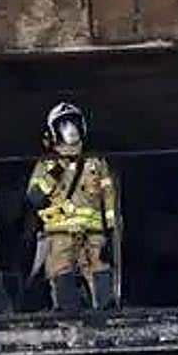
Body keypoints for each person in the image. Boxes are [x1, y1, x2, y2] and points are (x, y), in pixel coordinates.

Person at [25, 102, 118, 311]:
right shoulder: (46, 164)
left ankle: (105, 314)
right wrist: (56, 171)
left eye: (74, 123)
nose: (70, 129)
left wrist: (110, 230)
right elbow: (33, 197)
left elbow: (109, 198)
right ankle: (67, 314)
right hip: (60, 232)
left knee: (99, 268)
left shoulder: (96, 162)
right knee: (60, 269)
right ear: (54, 131)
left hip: (93, 232)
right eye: (64, 124)